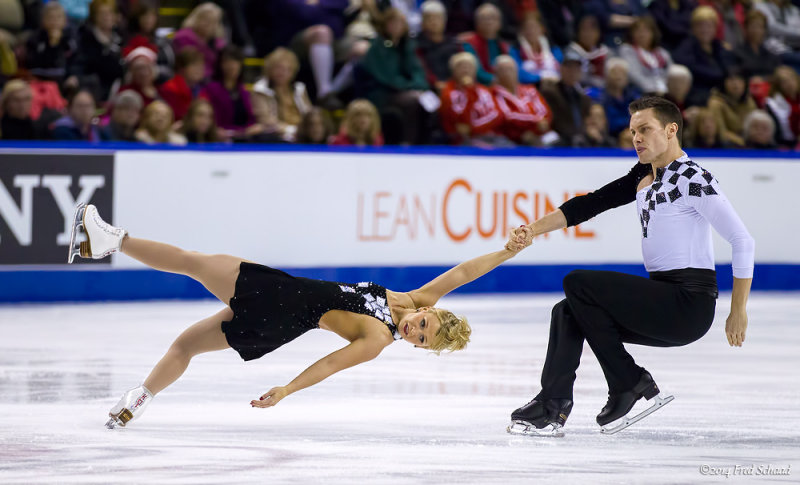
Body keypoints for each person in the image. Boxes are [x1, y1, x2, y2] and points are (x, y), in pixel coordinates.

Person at [66, 203, 526, 428]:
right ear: (431, 310)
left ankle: (107, 241)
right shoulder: (414, 296)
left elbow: (328, 366)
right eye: (426, 324)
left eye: (422, 340)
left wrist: (286, 389)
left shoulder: (378, 340)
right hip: (278, 317)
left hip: (277, 300)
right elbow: (465, 271)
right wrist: (506, 252)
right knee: (186, 345)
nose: (416, 330)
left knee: (191, 261)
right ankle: (137, 400)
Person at [507, 96, 753, 437]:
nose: (636, 138)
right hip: (662, 297)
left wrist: (737, 310)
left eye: (645, 130)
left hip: (687, 304)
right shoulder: (643, 175)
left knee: (578, 283)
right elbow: (591, 204)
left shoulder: (692, 178)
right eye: (633, 131)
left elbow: (742, 240)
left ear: (671, 130)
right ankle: (553, 404)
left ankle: (628, 381)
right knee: (567, 312)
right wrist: (532, 230)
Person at [439, 52, 505, 146]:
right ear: (453, 70)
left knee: (510, 148)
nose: (465, 69)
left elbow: (497, 115)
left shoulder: (484, 90)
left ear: (475, 70)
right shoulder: (448, 92)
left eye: (469, 66)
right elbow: (459, 120)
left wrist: (474, 129)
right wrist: (469, 90)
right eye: (461, 66)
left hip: (488, 134)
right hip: (463, 140)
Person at [672, 6, 730, 108]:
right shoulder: (687, 46)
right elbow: (687, 64)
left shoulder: (718, 46)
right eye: (700, 26)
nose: (704, 30)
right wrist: (717, 75)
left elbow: (730, 67)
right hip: (697, 93)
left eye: (709, 26)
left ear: (715, 28)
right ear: (693, 28)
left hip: (720, 92)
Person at [251, 47, 312, 142]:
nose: (282, 73)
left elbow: (309, 113)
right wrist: (290, 130)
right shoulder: (261, 89)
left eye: (287, 69)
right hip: (277, 136)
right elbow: (265, 119)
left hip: (302, 134)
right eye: (278, 68)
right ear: (270, 69)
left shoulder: (299, 89)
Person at [491, 55, 553, 146]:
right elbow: (507, 116)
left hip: (537, 133)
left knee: (557, 142)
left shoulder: (530, 90)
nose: (508, 73)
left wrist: (537, 126)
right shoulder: (493, 93)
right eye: (503, 70)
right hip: (510, 136)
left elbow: (544, 112)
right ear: (496, 74)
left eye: (511, 69)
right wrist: (535, 122)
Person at [415, 0, 462, 93]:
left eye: (437, 18)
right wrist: (435, 82)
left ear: (445, 20)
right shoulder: (416, 44)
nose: (434, 22)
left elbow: (459, 66)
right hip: (427, 88)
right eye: (429, 18)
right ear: (422, 22)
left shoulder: (454, 43)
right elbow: (420, 68)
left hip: (454, 86)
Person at [618, 16, 672, 96]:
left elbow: (670, 72)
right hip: (643, 91)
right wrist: (653, 89)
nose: (642, 34)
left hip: (665, 90)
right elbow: (633, 74)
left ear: (653, 33)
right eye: (638, 31)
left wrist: (665, 87)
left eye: (646, 30)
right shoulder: (627, 50)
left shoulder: (662, 52)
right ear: (631, 33)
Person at [171, 2, 226, 81]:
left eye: (213, 21)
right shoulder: (184, 37)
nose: (209, 24)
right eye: (206, 19)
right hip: (188, 80)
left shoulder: (218, 43)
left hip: (212, 81)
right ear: (196, 18)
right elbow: (185, 64)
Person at [461, 3, 509, 86]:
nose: (489, 22)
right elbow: (477, 72)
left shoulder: (504, 45)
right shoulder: (468, 43)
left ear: (500, 23)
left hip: (502, 84)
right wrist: (497, 80)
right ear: (476, 22)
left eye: (493, 18)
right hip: (480, 87)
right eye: (484, 19)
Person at [509, 12, 562, 85]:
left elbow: (562, 69)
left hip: (555, 84)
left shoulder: (553, 48)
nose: (531, 31)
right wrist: (541, 77)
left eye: (534, 27)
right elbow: (519, 74)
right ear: (521, 31)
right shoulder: (515, 49)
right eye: (527, 28)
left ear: (542, 29)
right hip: (530, 86)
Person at [707, 70, 757, 147]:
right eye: (731, 80)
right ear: (724, 83)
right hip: (727, 147)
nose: (735, 83)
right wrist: (743, 142)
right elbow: (721, 132)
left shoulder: (750, 102)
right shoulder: (716, 104)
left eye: (739, 80)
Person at [158, 47, 207, 122]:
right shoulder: (170, 89)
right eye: (194, 65)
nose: (199, 69)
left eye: (201, 66)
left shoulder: (202, 92)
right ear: (181, 68)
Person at [563, 14, 609, 90]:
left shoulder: (605, 51)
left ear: (598, 33)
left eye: (592, 30)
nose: (588, 34)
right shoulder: (572, 52)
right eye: (584, 30)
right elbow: (576, 77)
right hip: (582, 92)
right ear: (577, 32)